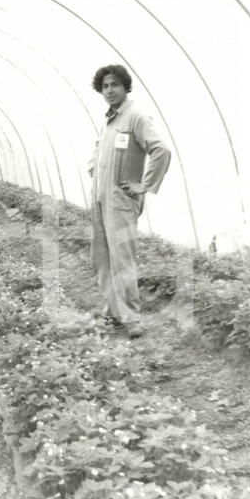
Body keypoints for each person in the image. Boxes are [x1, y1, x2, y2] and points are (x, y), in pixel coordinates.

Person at [88, 64, 171, 338]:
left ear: (125, 87)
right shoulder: (110, 120)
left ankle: (132, 318)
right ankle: (113, 311)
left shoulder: (135, 117)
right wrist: (94, 165)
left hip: (121, 201)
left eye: (114, 85)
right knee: (102, 258)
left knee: (122, 259)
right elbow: (101, 151)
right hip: (101, 200)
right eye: (105, 87)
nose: (109, 91)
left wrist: (144, 185)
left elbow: (161, 150)